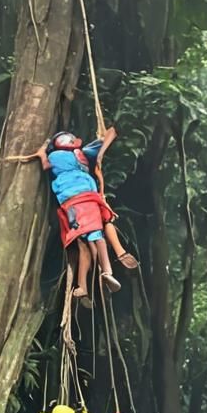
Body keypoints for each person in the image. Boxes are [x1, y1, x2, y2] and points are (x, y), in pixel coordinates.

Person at [35, 126, 138, 299]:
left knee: (86, 244)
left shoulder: (71, 154)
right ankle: (108, 271)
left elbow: (110, 133)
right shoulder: (73, 154)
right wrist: (99, 155)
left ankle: (83, 286)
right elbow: (112, 132)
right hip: (82, 200)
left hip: (79, 202)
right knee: (98, 237)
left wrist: (41, 153)